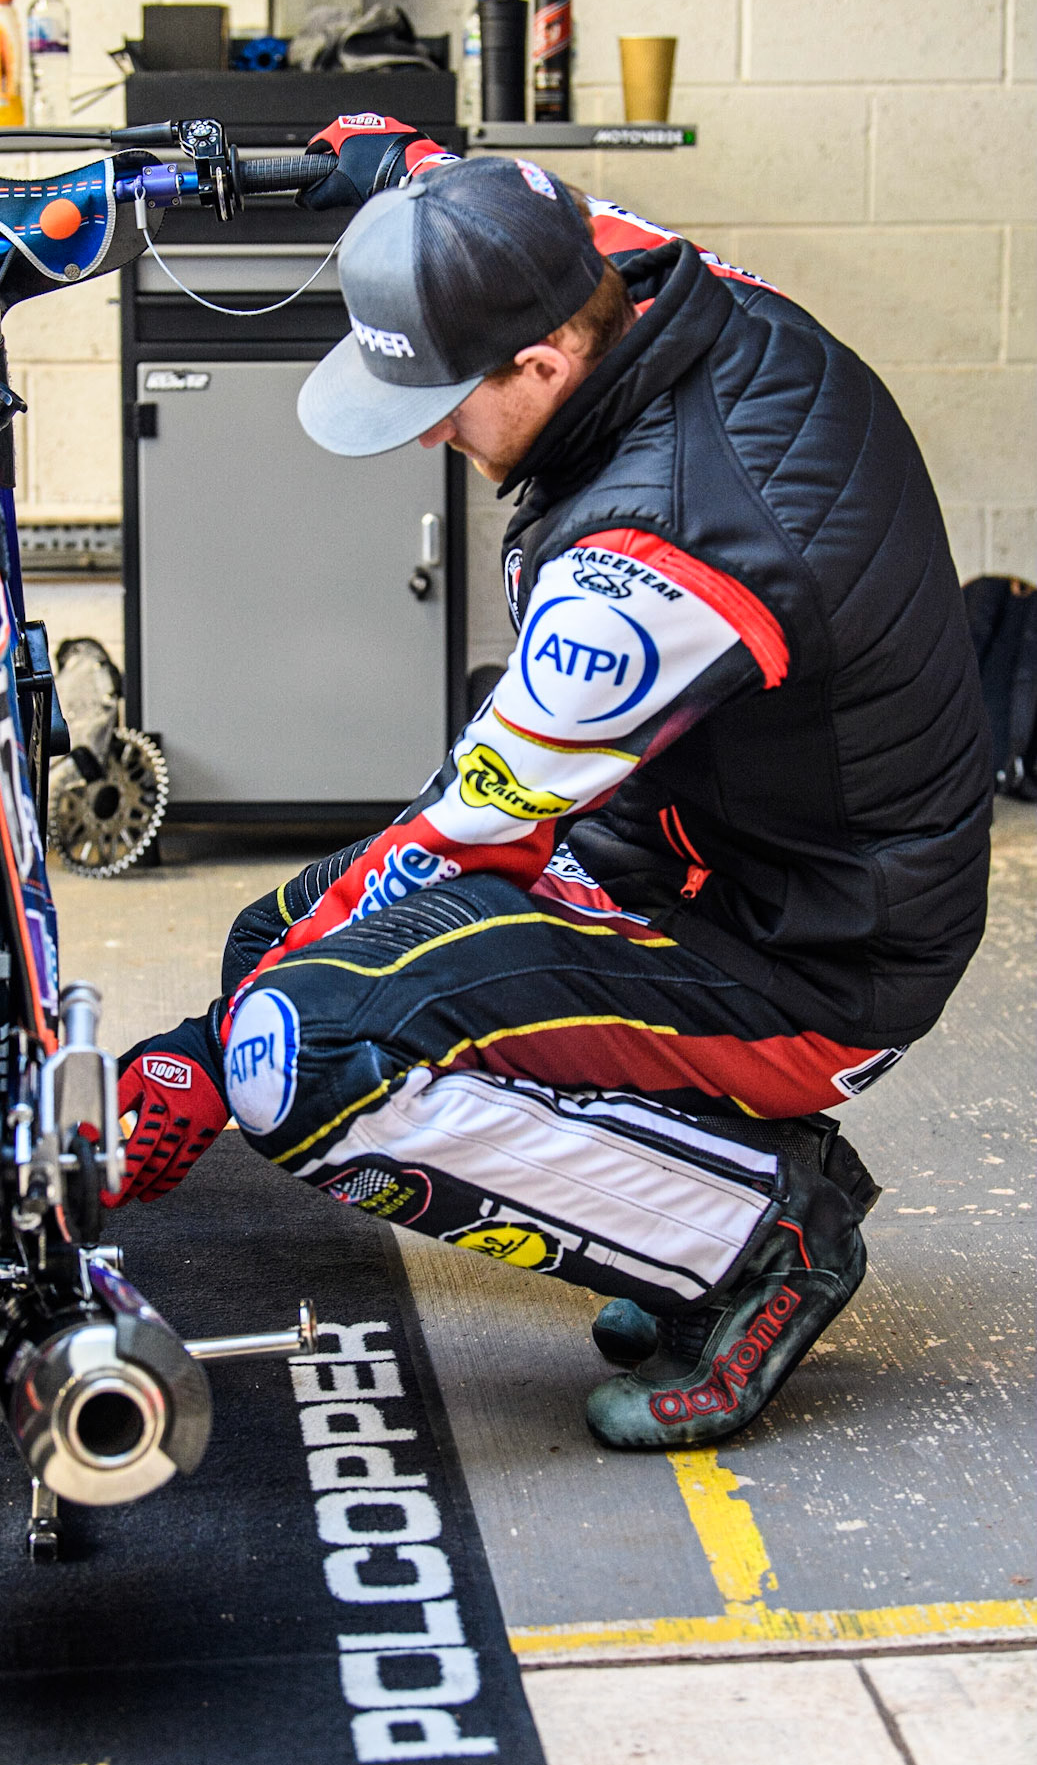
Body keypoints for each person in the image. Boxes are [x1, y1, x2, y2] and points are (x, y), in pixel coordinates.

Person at [105, 118, 992, 1450]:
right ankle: (683, 1208)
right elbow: (457, 191)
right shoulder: (622, 282)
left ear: (540, 360)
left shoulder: (659, 558)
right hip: (703, 858)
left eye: (441, 404)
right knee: (267, 941)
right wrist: (366, 159)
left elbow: (467, 830)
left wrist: (196, 1051)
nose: (424, 441)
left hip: (809, 959)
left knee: (297, 1053)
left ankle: (765, 1235)